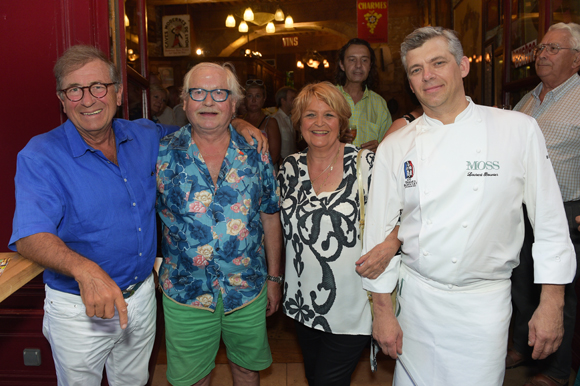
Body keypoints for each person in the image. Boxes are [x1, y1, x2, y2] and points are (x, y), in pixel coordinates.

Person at [8, 45, 266, 386]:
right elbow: (29, 235)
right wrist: (85, 270)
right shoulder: (40, 155)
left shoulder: (145, 136)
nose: (88, 100)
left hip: (140, 300)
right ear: (61, 98)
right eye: (75, 90)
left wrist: (239, 120)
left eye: (98, 87)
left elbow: (204, 127)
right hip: (79, 307)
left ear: (117, 93)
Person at [361, 26, 576, 386]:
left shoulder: (517, 130)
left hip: (484, 304)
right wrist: (382, 313)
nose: (427, 75)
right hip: (417, 301)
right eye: (415, 70)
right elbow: (378, 235)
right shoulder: (395, 147)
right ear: (410, 83)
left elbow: (551, 223)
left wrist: (551, 302)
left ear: (462, 66)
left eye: (437, 63)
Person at [156, 62, 282, 386]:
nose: (208, 101)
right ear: (184, 102)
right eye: (198, 92)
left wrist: (274, 278)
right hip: (186, 290)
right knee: (192, 380)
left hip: (247, 288)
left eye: (219, 93)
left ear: (233, 103)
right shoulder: (160, 152)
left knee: (246, 369)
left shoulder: (256, 151)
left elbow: (270, 215)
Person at [278, 81, 400, 385]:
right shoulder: (288, 168)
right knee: (314, 375)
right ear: (298, 123)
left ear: (342, 122)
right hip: (303, 305)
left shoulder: (367, 165)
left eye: (329, 115)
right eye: (310, 115)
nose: (319, 123)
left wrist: (391, 244)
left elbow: (411, 214)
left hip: (353, 305)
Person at [508, 22, 580, 386]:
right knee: (522, 284)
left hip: (568, 212)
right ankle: (524, 345)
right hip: (523, 212)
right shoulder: (529, 98)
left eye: (554, 49)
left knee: (558, 292)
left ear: (576, 60)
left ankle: (554, 371)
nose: (543, 55)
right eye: (542, 49)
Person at [335, 38, 392, 152]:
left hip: (369, 169)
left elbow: (391, 146)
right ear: (342, 65)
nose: (358, 65)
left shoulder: (379, 103)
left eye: (364, 60)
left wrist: (380, 148)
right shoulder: (328, 98)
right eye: (352, 60)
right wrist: (335, 139)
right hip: (333, 168)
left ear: (370, 66)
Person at [243, 79, 282, 166]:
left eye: (257, 96)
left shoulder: (270, 122)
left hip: (263, 172)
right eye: (249, 96)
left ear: (264, 98)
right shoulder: (238, 121)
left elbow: (274, 156)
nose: (253, 100)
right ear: (245, 98)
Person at [272, 86, 298, 162]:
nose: (295, 102)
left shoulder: (291, 118)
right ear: (283, 101)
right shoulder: (275, 119)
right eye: (292, 99)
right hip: (281, 163)